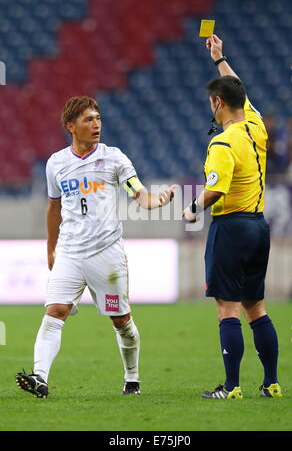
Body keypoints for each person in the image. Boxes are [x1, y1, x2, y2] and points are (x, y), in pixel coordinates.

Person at [16, 96, 176, 398]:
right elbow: (54, 208)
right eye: (89, 119)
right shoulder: (56, 163)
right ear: (71, 126)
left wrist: (158, 200)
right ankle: (40, 377)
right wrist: (51, 247)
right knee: (55, 311)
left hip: (107, 253)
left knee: (121, 320)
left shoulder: (114, 158)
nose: (97, 124)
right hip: (70, 252)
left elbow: (138, 194)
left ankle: (132, 377)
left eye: (98, 118)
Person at [183, 35, 282, 399]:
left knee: (227, 306)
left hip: (231, 226)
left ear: (217, 102)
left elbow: (216, 190)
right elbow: (239, 89)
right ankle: (271, 383)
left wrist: (191, 207)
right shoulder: (256, 126)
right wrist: (218, 59)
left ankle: (231, 387)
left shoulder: (222, 142)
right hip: (259, 225)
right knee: (256, 304)